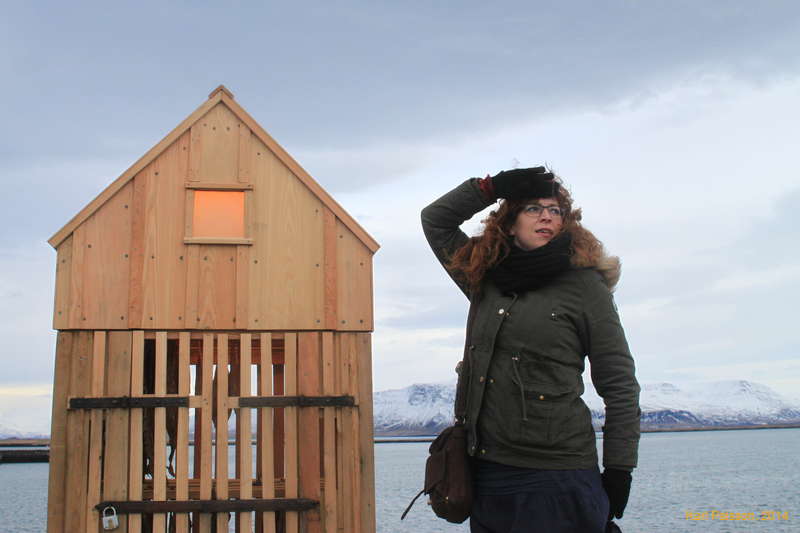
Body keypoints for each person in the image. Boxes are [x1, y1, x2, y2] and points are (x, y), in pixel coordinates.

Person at [421, 167, 641, 533]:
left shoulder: (586, 287)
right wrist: (490, 187)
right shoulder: (485, 278)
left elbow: (620, 385)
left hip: (556, 477)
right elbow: (435, 221)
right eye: (533, 208)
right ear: (509, 224)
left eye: (555, 211)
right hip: (488, 474)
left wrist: (619, 469)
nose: (546, 217)